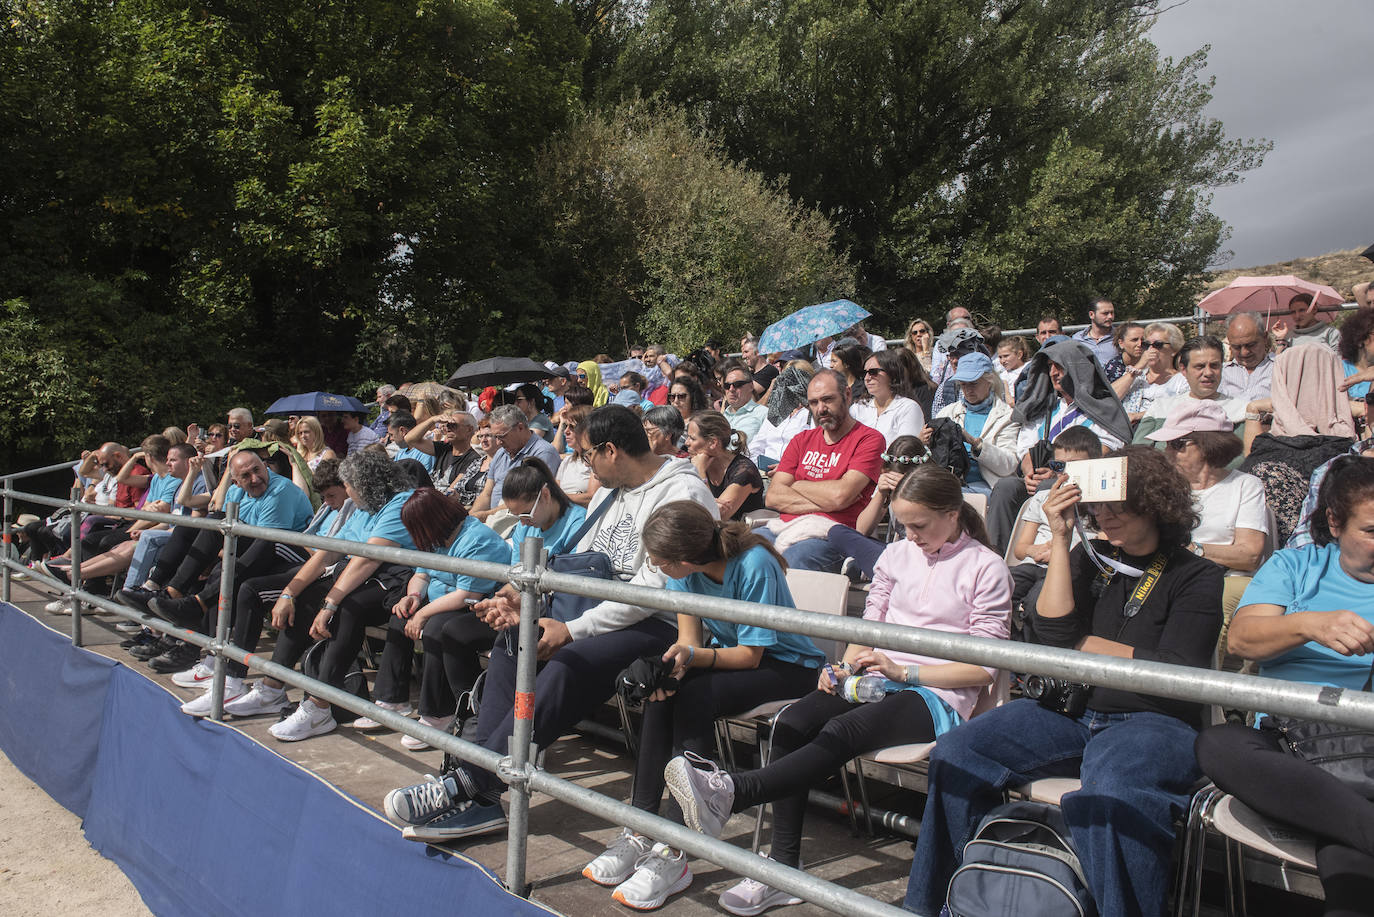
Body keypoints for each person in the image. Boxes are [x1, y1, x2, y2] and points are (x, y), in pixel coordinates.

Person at [664, 465, 1012, 916]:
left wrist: (904, 671)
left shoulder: (987, 567)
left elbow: (982, 670)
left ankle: (733, 792)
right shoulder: (896, 555)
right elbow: (868, 625)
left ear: (953, 514)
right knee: (790, 723)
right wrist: (842, 667)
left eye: (920, 525)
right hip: (877, 676)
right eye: (903, 524)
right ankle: (782, 868)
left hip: (936, 694)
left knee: (845, 731)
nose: (909, 535)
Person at [905, 446, 1223, 917]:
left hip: (1152, 720)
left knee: (1112, 793)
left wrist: (1084, 646)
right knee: (957, 754)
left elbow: (1175, 668)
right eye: (1098, 507)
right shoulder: (1091, 559)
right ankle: (933, 906)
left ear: (1155, 503)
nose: (1105, 518)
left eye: (1119, 506)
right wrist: (1059, 535)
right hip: (1072, 710)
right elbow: (1053, 633)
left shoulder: (1197, 575)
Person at [382, 405, 719, 841]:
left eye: (585, 457)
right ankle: (483, 795)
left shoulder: (682, 492)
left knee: (567, 660)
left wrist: (572, 629)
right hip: (597, 610)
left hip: (662, 624)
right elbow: (582, 567)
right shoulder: (608, 493)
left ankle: (471, 780)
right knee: (514, 639)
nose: (582, 468)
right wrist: (527, 599)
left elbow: (654, 591)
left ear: (611, 451)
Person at [581, 501, 824, 910]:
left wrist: (688, 663)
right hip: (738, 659)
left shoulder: (754, 564)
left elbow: (750, 655)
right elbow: (690, 642)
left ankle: (677, 847)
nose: (655, 568)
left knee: (694, 695)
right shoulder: (683, 573)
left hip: (790, 666)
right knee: (665, 690)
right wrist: (666, 669)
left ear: (686, 558)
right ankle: (642, 826)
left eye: (660, 562)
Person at [1194, 456, 1374, 915]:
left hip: (1364, 754)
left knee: (1344, 841)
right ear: (1334, 522)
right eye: (1371, 531)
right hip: (1294, 749)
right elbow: (1243, 638)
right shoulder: (1295, 566)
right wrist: (1309, 625)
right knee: (1219, 744)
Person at [175, 460, 355, 715]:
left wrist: (289, 590)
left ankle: (202, 607)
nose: (326, 501)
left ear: (347, 487)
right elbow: (218, 505)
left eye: (331, 495)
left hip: (317, 568)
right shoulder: (329, 509)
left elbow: (326, 552)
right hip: (306, 561)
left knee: (267, 543)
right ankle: (227, 673)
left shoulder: (351, 508)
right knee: (238, 577)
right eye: (323, 497)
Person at [363, 488, 511, 749]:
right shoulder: (435, 539)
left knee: (435, 629)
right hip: (445, 602)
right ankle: (392, 697)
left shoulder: (476, 540)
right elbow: (422, 574)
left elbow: (467, 595)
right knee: (401, 616)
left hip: (480, 606)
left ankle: (439, 712)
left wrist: (423, 613)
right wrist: (414, 598)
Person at [986, 339, 1130, 554]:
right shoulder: (1044, 407)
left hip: (1080, 485)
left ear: (1078, 369)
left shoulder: (1104, 408)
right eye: (1050, 366)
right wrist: (1030, 473)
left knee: (1048, 488)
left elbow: (1105, 451)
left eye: (1060, 366)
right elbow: (1025, 447)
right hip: (1040, 479)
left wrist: (1057, 473)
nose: (1053, 372)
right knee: (1006, 487)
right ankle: (996, 554)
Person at [1148, 399, 1269, 628]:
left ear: (1208, 445)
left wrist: (1191, 550)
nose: (1167, 451)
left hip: (1221, 579)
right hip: (1165, 574)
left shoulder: (1245, 485)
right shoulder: (1162, 486)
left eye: (1176, 443)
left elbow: (1250, 555)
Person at [763, 370, 885, 572]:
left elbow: (840, 495)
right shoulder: (801, 440)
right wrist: (829, 501)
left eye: (827, 399)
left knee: (797, 558)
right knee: (746, 550)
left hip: (835, 534)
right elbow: (773, 497)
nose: (820, 409)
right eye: (813, 403)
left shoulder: (869, 439)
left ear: (846, 395)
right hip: (784, 527)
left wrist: (797, 484)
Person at [1008, 426, 1101, 632]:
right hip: (1032, 565)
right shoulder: (1042, 498)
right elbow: (1020, 549)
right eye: (1059, 466)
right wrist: (1037, 550)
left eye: (1075, 466)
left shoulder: (1100, 506)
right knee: (993, 588)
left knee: (1036, 603)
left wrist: (1060, 552)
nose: (1066, 474)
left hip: (1070, 570)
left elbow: (1103, 545)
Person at [825, 435, 928, 581]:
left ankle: (872, 568)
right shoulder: (888, 491)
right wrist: (881, 493)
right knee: (837, 533)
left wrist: (911, 492)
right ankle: (878, 568)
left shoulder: (935, 491)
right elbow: (862, 530)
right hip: (896, 553)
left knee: (889, 555)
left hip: (923, 556)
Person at [925, 351, 1020, 496]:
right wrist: (922, 443)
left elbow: (1008, 466)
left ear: (990, 381)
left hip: (990, 487)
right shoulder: (947, 413)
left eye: (974, 384)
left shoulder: (1007, 415)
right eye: (963, 384)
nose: (968, 390)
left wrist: (975, 443)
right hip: (950, 484)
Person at [1134, 335, 1246, 444]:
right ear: (1183, 369)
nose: (1208, 373)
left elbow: (1243, 457)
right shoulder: (1160, 407)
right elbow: (1139, 454)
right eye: (1200, 366)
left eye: (1214, 366)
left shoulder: (1239, 410)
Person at [470, 405, 563, 518]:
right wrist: (472, 517)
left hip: (520, 521)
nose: (498, 442)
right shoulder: (501, 453)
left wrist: (487, 515)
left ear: (520, 427)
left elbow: (530, 499)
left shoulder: (543, 453)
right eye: (495, 437)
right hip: (494, 519)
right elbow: (486, 494)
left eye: (502, 436)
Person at [686, 411, 764, 521]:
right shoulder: (693, 462)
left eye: (692, 438)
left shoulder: (744, 471)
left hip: (738, 533)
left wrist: (700, 473)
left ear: (713, 442)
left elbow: (716, 517)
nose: (686, 443)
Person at [849, 349, 924, 445]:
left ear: (892, 373)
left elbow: (904, 451)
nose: (867, 378)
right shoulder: (857, 408)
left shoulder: (908, 408)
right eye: (864, 373)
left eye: (873, 372)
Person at [1218, 313, 1274, 403]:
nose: (1244, 352)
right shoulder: (1220, 372)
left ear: (1265, 338)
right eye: (1237, 347)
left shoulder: (1280, 369)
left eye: (1251, 345)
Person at [718, 360, 768, 442]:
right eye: (727, 386)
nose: (731, 389)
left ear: (751, 386)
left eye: (737, 384)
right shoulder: (722, 417)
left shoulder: (763, 414)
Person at [1273, 293, 1341, 352]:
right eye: (1293, 312)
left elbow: (1338, 360)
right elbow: (1279, 362)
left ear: (1314, 309)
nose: (1297, 316)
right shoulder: (1289, 336)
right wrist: (1281, 339)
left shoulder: (1330, 333)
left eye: (1302, 310)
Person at [1071, 298, 1118, 366]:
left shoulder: (1120, 336)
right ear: (1091, 315)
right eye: (1105, 313)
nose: (1110, 316)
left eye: (1112, 313)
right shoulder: (1078, 339)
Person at [995, 335, 1030, 401]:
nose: (1003, 361)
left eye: (1006, 356)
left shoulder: (1029, 370)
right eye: (1000, 357)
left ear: (1019, 354)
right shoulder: (1003, 375)